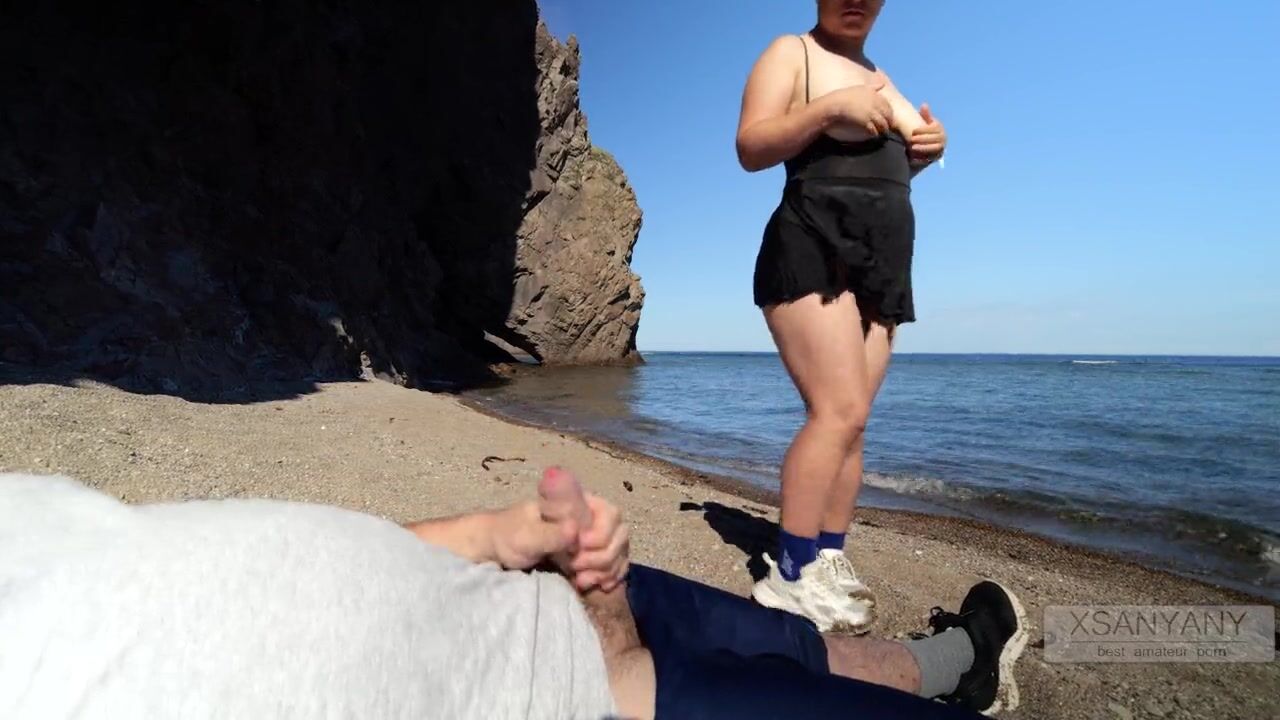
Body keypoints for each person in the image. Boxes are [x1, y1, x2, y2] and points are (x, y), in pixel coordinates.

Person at [0, 468, 1024, 718]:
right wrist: (602, 671)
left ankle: (953, 665)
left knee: (784, 645)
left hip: (529, 585)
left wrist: (492, 535)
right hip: (581, 697)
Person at [735, 0, 948, 631]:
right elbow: (751, 146)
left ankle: (827, 556)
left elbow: (880, 166)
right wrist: (829, 109)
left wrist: (923, 151)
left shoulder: (882, 75)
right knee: (837, 411)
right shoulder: (791, 52)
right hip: (812, 241)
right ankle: (790, 574)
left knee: (854, 425)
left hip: (882, 257)